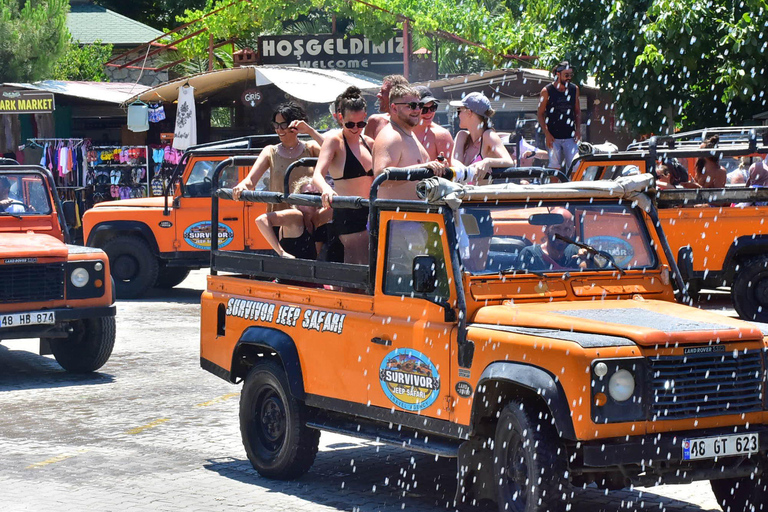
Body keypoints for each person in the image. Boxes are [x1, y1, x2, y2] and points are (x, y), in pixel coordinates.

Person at [312, 86, 375, 264]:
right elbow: (317, 174)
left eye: (360, 124)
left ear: (365, 118)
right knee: (359, 269)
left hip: (371, 213)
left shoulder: (369, 142)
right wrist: (326, 189)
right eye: (350, 124)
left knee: (374, 269)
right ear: (340, 117)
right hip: (348, 214)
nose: (356, 129)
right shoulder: (334, 140)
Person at [232, 102, 323, 210]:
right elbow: (251, 180)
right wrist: (241, 186)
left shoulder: (311, 148)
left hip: (309, 216)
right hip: (278, 216)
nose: (279, 130)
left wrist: (309, 131)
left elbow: (333, 151)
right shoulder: (270, 151)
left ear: (295, 125)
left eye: (283, 125)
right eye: (276, 125)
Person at [372, 84, 446, 200]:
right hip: (396, 216)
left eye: (419, 105)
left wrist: (436, 168)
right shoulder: (391, 136)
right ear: (394, 108)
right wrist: (423, 167)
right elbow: (382, 176)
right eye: (411, 106)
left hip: (415, 214)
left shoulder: (408, 134)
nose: (417, 110)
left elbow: (415, 172)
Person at [254, 176, 331, 259]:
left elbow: (337, 206)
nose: (312, 199)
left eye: (317, 195)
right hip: (289, 269)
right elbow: (261, 220)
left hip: (305, 269)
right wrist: (281, 252)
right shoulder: (296, 216)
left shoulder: (314, 219)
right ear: (297, 198)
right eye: (307, 195)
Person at [450, 92, 514, 182]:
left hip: (482, 195)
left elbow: (509, 162)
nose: (458, 115)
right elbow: (455, 161)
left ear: (469, 113)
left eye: (459, 111)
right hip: (463, 195)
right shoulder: (462, 135)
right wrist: (468, 171)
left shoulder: (488, 135)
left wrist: (487, 161)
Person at [538, 61, 581, 171]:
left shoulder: (574, 89)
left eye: (570, 75)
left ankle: (574, 187)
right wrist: (546, 133)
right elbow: (540, 113)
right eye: (566, 75)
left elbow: (577, 111)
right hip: (553, 136)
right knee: (554, 167)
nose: (568, 78)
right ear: (558, 74)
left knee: (576, 166)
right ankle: (555, 187)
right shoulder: (547, 91)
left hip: (570, 135)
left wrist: (578, 130)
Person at [517, 208, 588, 271]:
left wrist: (585, 259)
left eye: (567, 229)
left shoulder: (576, 251)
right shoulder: (530, 255)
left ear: (573, 231)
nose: (562, 234)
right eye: (557, 228)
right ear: (545, 229)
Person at [412, 86, 453, 161]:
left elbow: (450, 169)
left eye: (433, 108)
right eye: (424, 109)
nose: (429, 113)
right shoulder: (401, 131)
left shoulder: (441, 135)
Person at [364, 74, 409, 140]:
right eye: (380, 91)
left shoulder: (412, 124)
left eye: (383, 92)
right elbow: (366, 148)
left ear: (396, 96)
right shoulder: (374, 122)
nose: (378, 95)